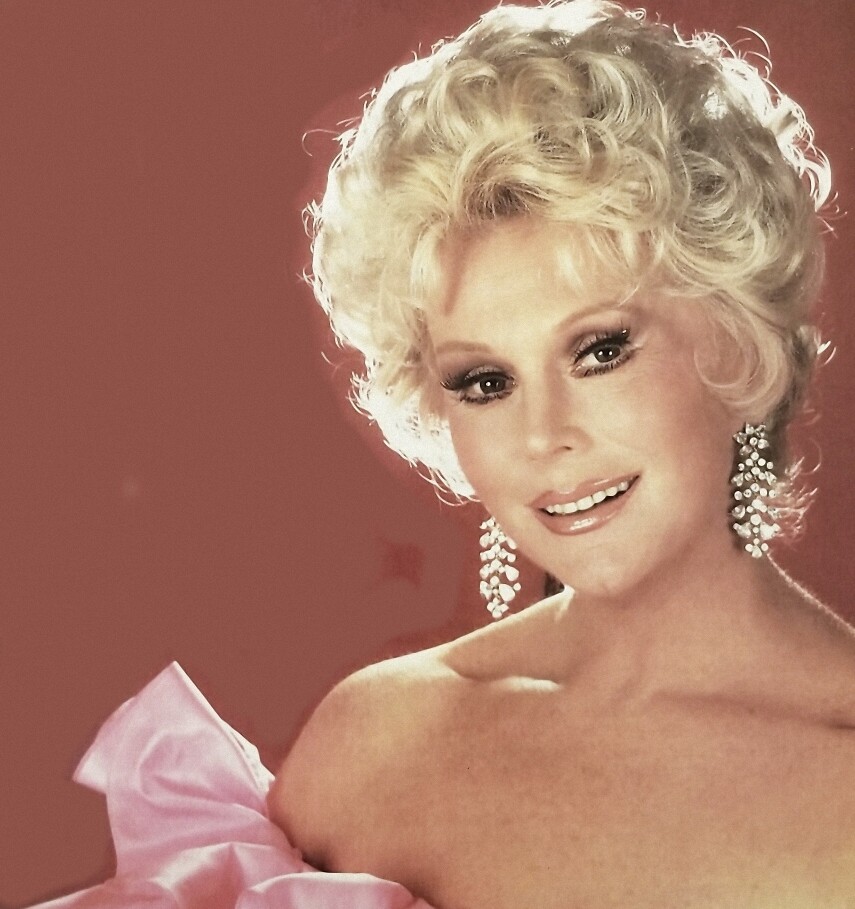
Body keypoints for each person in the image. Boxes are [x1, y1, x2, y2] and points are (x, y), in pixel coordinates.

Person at [30, 1, 855, 907]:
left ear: (736, 337)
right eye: (485, 381)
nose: (542, 434)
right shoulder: (375, 741)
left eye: (600, 350)